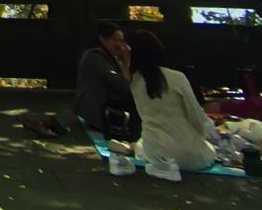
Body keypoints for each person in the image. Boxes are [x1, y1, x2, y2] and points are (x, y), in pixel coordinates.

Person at [128, 28, 262, 174]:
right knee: (215, 148)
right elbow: (196, 117)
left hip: (154, 154)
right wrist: (213, 131)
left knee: (141, 145)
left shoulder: (133, 81)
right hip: (189, 157)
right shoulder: (176, 78)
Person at [74, 19, 139, 141]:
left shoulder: (111, 58)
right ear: (102, 39)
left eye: (121, 41)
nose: (119, 45)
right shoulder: (95, 57)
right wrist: (126, 63)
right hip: (98, 112)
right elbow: (123, 86)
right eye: (115, 40)